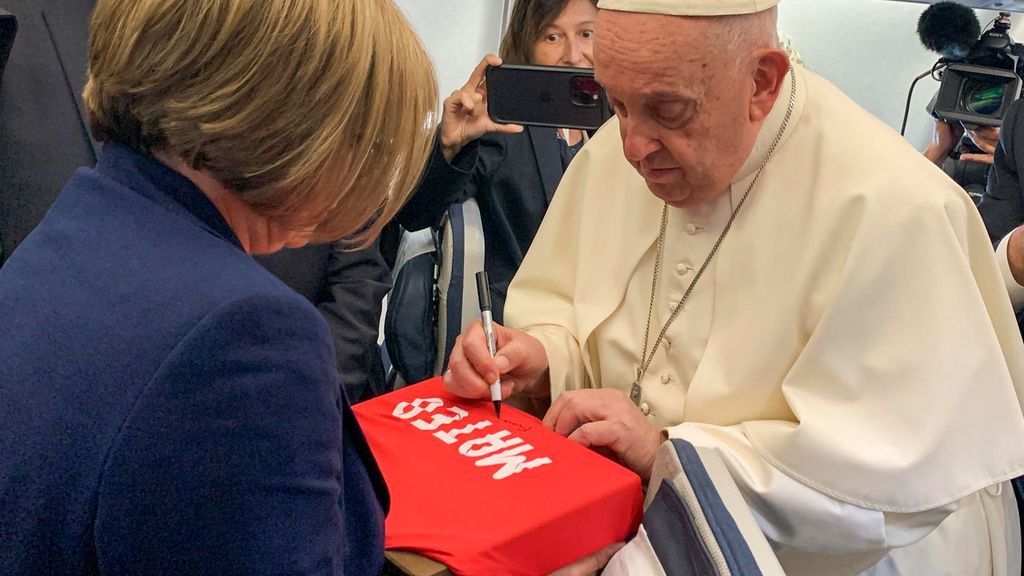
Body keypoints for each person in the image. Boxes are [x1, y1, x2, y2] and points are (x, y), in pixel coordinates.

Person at [443, 0, 1024, 574]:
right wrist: (542, 356)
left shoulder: (898, 207)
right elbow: (575, 308)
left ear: (762, 83)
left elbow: (890, 476)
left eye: (667, 110)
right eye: (615, 103)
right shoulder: (619, 149)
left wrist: (669, 454)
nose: (631, 148)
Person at [0, 0, 436, 573]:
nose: (359, 172)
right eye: (361, 140)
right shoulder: (245, 336)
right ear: (285, 120)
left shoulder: (81, 225)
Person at [396, 0, 598, 323]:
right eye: (552, 37)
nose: (573, 55)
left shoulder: (622, 126)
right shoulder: (501, 127)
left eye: (586, 33)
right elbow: (415, 213)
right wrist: (449, 145)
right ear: (527, 42)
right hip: (520, 327)